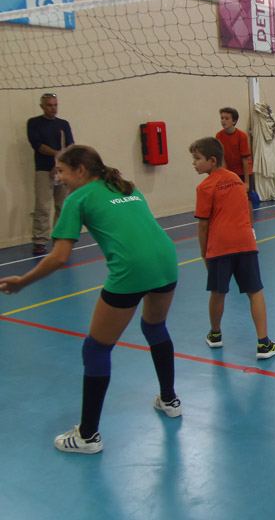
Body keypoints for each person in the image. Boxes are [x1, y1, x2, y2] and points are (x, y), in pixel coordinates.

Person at [0, 145, 181, 454]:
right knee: (154, 328)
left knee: (96, 348)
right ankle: (170, 399)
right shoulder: (124, 186)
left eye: (61, 171)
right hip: (166, 259)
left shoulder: (77, 199)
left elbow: (59, 257)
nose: (58, 177)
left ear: (80, 170)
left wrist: (23, 281)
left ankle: (87, 436)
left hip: (131, 269)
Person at [190, 137, 275, 359]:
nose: (194, 163)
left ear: (212, 160)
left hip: (220, 246)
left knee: (218, 292)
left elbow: (203, 225)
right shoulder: (237, 180)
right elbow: (247, 208)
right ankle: (264, 343)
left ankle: (215, 335)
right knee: (255, 291)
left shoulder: (204, 187)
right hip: (245, 243)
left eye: (197, 158)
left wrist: (204, 252)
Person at [27, 93, 75, 256]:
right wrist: (57, 155)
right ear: (42, 106)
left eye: (55, 105)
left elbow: (70, 146)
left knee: (63, 206)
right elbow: (37, 145)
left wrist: (60, 164)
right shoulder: (34, 123)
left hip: (62, 170)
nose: (53, 108)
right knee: (42, 207)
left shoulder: (63, 124)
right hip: (43, 169)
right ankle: (40, 241)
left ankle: (60, 238)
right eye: (49, 105)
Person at [216, 107, 255, 222]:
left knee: (246, 199)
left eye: (227, 118)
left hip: (243, 171)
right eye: (222, 118)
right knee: (230, 199)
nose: (223, 121)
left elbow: (245, 160)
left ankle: (250, 225)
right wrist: (223, 175)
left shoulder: (241, 136)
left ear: (234, 121)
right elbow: (222, 158)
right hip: (230, 171)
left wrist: (246, 182)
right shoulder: (219, 136)